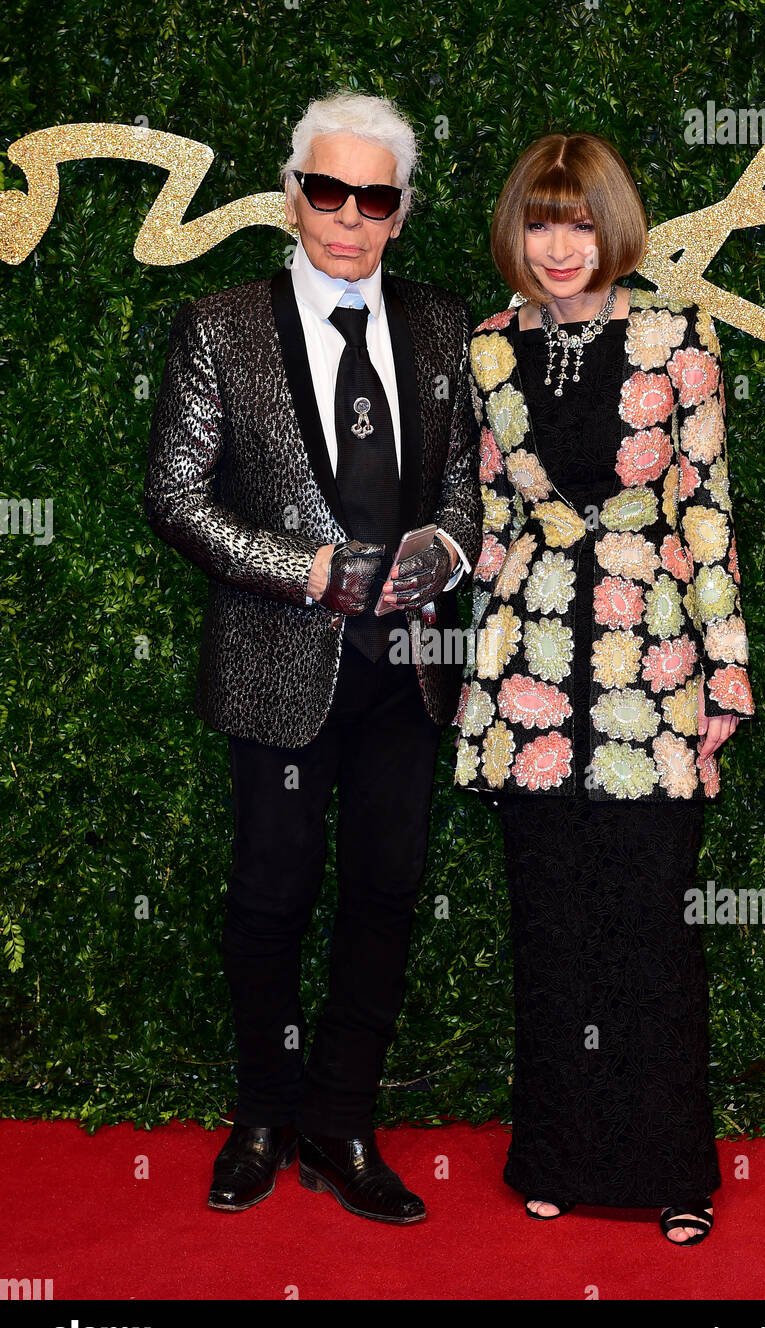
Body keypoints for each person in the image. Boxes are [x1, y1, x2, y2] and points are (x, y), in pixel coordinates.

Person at [145, 89, 481, 1224]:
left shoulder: (444, 326)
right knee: (269, 895)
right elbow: (176, 498)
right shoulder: (218, 325)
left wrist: (445, 546)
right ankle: (259, 1113)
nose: (347, 215)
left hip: (411, 669)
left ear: (398, 212)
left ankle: (340, 1121)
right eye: (326, 189)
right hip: (277, 664)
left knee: (385, 892)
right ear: (293, 193)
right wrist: (308, 569)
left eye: (372, 197)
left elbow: (466, 489)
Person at [454, 132, 756, 1245]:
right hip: (530, 656)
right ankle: (557, 1154)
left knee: (651, 929)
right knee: (550, 924)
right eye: (541, 222)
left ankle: (672, 1168)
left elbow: (708, 513)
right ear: (516, 233)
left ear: (613, 225)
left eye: (580, 222)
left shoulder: (679, 339)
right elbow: (490, 522)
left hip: (653, 659)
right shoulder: (488, 349)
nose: (561, 245)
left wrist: (720, 684)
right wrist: (477, 691)